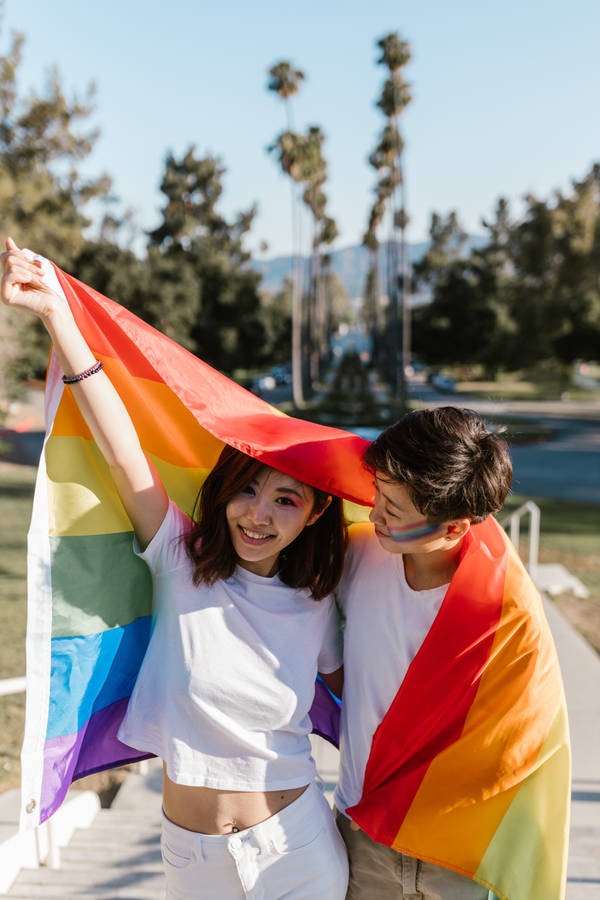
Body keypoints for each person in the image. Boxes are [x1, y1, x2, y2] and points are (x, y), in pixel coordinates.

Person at [2, 238, 349, 900]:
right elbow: (122, 450)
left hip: (297, 851)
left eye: (286, 500)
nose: (259, 514)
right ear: (224, 493)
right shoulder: (179, 558)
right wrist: (57, 316)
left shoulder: (319, 600)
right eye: (247, 490)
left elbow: (361, 700)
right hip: (192, 860)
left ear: (314, 513)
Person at [333, 407, 570, 900]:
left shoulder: (506, 612)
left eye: (392, 509)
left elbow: (523, 737)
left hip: (457, 853)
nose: (373, 514)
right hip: (363, 833)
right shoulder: (358, 555)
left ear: (455, 528)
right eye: (378, 494)